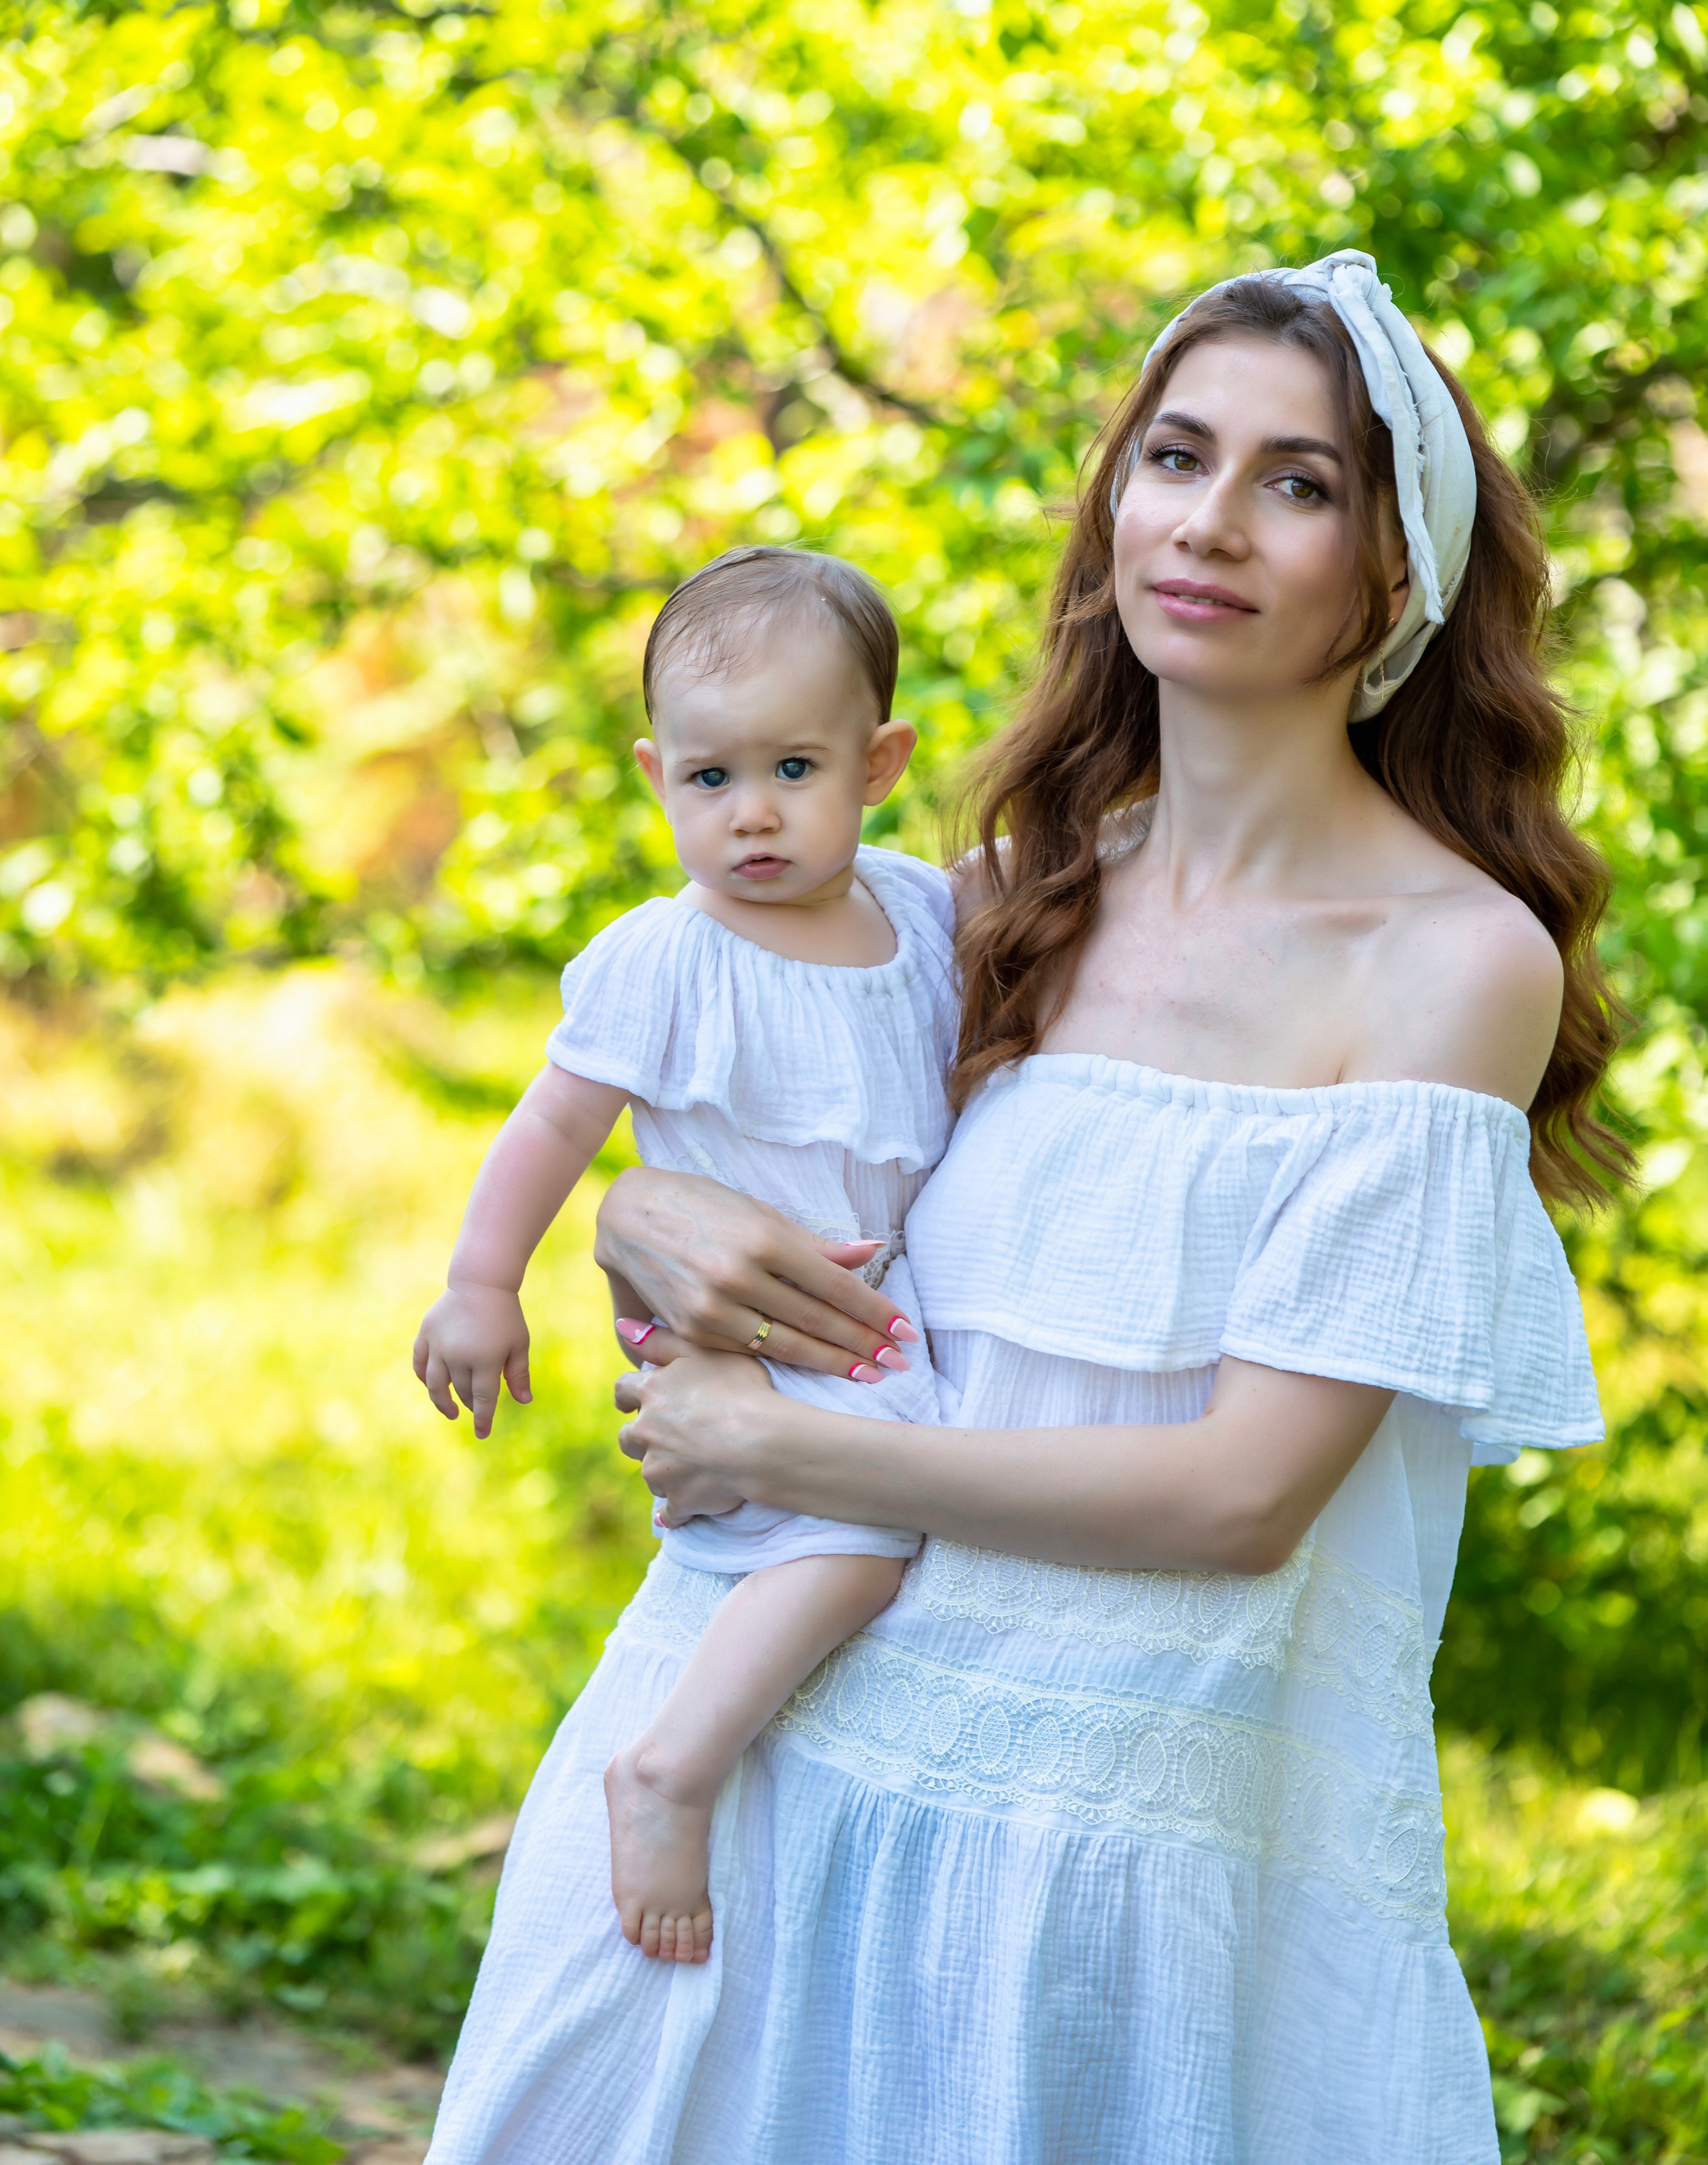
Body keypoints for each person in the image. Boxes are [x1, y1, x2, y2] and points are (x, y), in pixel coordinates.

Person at [424, 251, 1622, 2165]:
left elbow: (1242, 1499)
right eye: (1176, 455)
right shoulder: (989, 901)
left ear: (1395, 573)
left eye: (1297, 481)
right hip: (757, 1737)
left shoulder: (1447, 962)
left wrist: (785, 1441)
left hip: (1103, 1835)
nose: (1210, 521)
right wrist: (630, 1225)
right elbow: (725, 1130)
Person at [412, 546, 955, 1964]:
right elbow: (549, 1127)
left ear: (879, 761)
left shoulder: (923, 918)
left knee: (887, 1525)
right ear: (657, 777)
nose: (753, 816)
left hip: (878, 1319)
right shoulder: (666, 958)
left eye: (793, 769)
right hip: (756, 1344)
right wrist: (483, 1284)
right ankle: (673, 1766)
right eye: (710, 781)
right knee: (865, 1545)